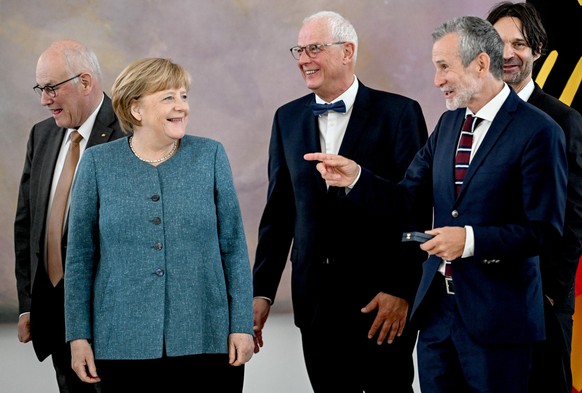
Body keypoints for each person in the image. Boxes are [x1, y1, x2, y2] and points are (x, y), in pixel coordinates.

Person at [305, 15, 568, 393]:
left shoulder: (540, 131)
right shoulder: (448, 126)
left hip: (499, 325)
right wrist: (358, 178)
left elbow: (544, 231)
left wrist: (470, 241)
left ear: (480, 62)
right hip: (437, 322)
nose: (437, 79)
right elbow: (408, 196)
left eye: (444, 67)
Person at [252, 10, 431, 393]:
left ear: (347, 51)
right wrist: (261, 292)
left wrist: (401, 289)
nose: (303, 58)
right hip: (315, 305)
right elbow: (279, 214)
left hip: (381, 305)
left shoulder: (400, 114)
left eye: (314, 48)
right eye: (299, 49)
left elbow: (417, 209)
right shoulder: (287, 118)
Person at [63, 57, 254, 393]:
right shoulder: (97, 163)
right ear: (136, 109)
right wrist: (78, 337)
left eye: (184, 96)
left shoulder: (210, 156)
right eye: (168, 97)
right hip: (121, 342)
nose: (181, 106)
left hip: (207, 337)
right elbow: (79, 257)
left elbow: (234, 248)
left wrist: (241, 325)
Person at [14, 39, 126, 393]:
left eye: (51, 88)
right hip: (53, 315)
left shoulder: (129, 133)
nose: (44, 99)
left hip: (110, 318)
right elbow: (27, 225)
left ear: (86, 82)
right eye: (40, 89)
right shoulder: (42, 135)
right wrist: (28, 304)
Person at [486, 3, 582, 392]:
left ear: (538, 50)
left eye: (519, 43)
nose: (507, 53)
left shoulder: (564, 120)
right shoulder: (466, 114)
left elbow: (574, 213)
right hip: (482, 298)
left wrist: (552, 292)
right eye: (498, 42)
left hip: (541, 298)